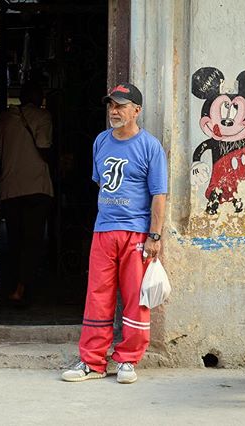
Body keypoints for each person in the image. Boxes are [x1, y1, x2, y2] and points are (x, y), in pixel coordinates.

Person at [61, 83, 167, 384]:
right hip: (104, 230)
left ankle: (128, 360)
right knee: (98, 296)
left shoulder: (150, 146)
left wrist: (154, 236)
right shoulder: (100, 142)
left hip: (136, 232)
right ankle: (92, 362)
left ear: (137, 110)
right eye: (111, 105)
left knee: (136, 298)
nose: (114, 111)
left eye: (121, 105)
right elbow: (101, 183)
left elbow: (159, 195)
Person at [0, 81, 53, 303]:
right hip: (36, 188)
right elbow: (44, 146)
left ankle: (12, 285)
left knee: (15, 240)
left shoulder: (4, 119)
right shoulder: (43, 117)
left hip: (11, 187)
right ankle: (23, 288)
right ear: (38, 97)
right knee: (32, 241)